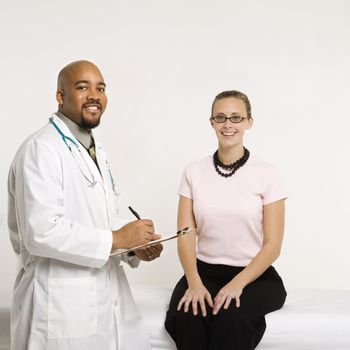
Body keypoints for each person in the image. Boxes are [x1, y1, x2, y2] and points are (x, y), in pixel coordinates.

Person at [7, 60, 163, 350]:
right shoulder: (42, 149)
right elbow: (41, 232)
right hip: (58, 302)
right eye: (82, 87)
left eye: (100, 88)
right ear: (60, 96)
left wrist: (133, 247)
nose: (95, 95)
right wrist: (118, 238)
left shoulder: (94, 150)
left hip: (101, 298)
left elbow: (99, 220)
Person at [165, 90, 287, 350]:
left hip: (255, 277)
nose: (228, 124)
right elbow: (186, 234)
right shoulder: (193, 172)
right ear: (211, 122)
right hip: (204, 272)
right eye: (220, 118)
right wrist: (194, 282)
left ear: (248, 122)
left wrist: (237, 284)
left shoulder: (268, 174)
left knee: (231, 316)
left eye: (235, 117)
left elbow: (273, 245)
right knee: (189, 315)